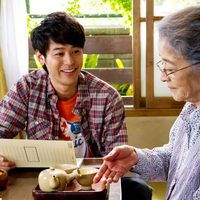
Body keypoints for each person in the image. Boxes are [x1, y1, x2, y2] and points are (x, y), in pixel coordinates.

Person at [0, 12, 152, 199]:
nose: (70, 61)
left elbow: (115, 154)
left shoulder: (107, 97)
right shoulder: (27, 88)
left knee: (139, 188)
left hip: (90, 182)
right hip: (43, 182)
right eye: (59, 53)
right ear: (41, 58)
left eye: (76, 51)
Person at [94, 5, 200, 200]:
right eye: (162, 64)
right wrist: (136, 158)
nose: (162, 77)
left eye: (169, 68)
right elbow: (173, 160)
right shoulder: (192, 108)